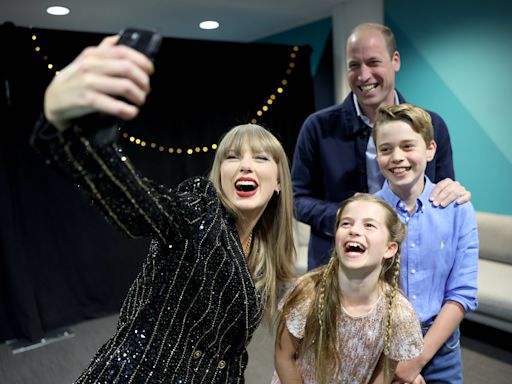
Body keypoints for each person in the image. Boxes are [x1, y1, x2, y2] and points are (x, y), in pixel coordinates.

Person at [30, 35, 297, 383]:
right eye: (232, 157)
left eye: (260, 158)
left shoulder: (261, 251)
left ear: (278, 182)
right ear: (218, 174)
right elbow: (138, 204)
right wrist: (61, 124)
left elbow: (226, 355)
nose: (245, 165)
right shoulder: (199, 210)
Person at [291, 22, 470, 270]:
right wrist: (348, 217)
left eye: (373, 62)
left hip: (413, 266)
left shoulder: (433, 125)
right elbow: (297, 199)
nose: (364, 76)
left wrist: (453, 192)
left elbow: (441, 193)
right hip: (335, 267)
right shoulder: (317, 127)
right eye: (354, 65)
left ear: (395, 60)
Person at [373, 103, 478, 384]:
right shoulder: (366, 211)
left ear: (430, 149)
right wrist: (394, 362)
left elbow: (462, 293)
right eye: (386, 149)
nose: (397, 157)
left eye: (408, 146)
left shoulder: (458, 210)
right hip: (379, 347)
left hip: (441, 348)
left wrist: (416, 360)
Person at [272, 193, 424, 384]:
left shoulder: (398, 313)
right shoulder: (308, 292)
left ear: (390, 249)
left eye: (369, 225)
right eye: (346, 224)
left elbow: (384, 372)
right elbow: (284, 356)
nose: (354, 230)